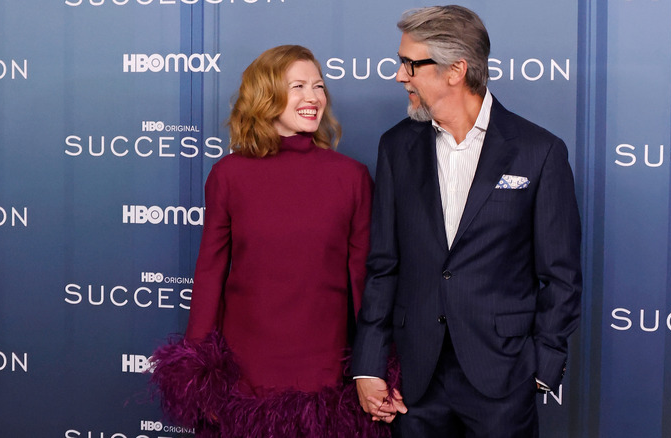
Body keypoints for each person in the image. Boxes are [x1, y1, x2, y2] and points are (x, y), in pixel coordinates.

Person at [351, 6, 582, 437]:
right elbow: (383, 266)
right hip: (414, 383)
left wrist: (542, 366)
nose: (401, 76)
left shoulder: (539, 151)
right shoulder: (396, 147)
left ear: (456, 70)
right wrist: (369, 364)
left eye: (410, 64)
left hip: (503, 378)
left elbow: (561, 275)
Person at [150, 45, 389, 438]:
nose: (313, 97)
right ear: (266, 95)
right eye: (298, 86)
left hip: (324, 371)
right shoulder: (228, 175)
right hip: (246, 372)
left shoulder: (351, 177)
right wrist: (197, 367)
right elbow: (209, 273)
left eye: (318, 86)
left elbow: (365, 281)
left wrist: (375, 365)